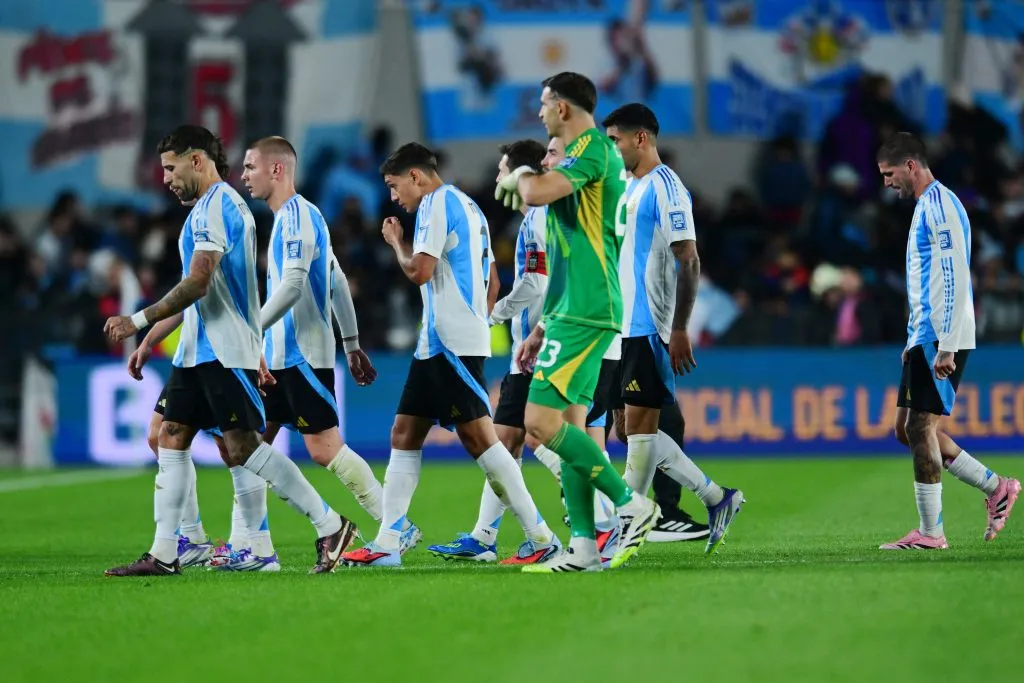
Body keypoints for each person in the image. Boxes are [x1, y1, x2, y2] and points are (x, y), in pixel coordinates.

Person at [104, 124, 357, 576]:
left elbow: (198, 282)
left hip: (224, 351)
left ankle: (327, 524)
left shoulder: (216, 209)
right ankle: (169, 551)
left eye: (170, 167)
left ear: (197, 160)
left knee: (242, 447)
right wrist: (152, 337)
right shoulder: (207, 208)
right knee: (170, 435)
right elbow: (199, 290)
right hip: (197, 351)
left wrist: (138, 319)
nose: (165, 179)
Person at [341, 143, 561, 567]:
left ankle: (541, 536)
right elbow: (492, 279)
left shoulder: (435, 205)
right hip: (438, 342)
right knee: (404, 434)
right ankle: (388, 542)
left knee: (482, 441)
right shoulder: (469, 206)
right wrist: (479, 317)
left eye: (394, 186)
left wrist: (396, 242)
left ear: (416, 177)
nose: (393, 197)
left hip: (450, 342)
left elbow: (418, 271)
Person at [228, 136, 420, 571]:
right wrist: (351, 345)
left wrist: (249, 331)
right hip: (277, 358)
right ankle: (250, 546)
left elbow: (297, 285)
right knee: (246, 444)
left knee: (322, 448)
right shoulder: (294, 218)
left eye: (250, 166)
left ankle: (395, 525)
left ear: (276, 170)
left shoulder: (297, 218)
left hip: (299, 355)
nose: (244, 176)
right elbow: (335, 282)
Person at [495, 71, 659, 572]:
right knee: (572, 428)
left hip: (589, 311)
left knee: (538, 424)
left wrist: (519, 176)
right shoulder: (581, 155)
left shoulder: (591, 150)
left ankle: (633, 506)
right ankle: (584, 549)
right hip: (571, 309)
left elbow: (539, 191)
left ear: (562, 108)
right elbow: (569, 250)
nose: (541, 112)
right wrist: (543, 324)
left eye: (544, 104)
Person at [602, 103, 744, 555]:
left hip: (648, 325)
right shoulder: (628, 186)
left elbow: (690, 258)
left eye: (616, 141)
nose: (613, 149)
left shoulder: (668, 189)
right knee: (629, 429)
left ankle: (631, 524)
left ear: (640, 138)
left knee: (639, 431)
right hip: (621, 327)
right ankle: (714, 497)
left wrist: (680, 327)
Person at [876, 132, 1019, 550]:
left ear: (911, 166)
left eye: (889, 174)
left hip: (942, 335)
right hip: (925, 333)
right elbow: (930, 282)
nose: (886, 183)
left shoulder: (939, 207)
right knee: (906, 429)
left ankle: (931, 532)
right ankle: (996, 487)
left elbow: (955, 276)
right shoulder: (928, 206)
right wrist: (914, 337)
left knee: (921, 427)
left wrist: (947, 344)